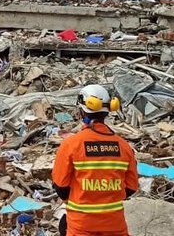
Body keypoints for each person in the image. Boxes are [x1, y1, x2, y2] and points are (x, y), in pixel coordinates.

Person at [51, 84, 138, 236]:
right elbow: (131, 187)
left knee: (63, 225)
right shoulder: (124, 147)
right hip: (115, 225)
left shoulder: (72, 145)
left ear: (80, 112)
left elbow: (60, 187)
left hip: (81, 226)